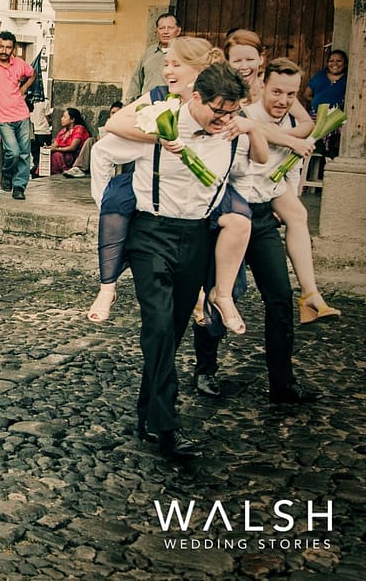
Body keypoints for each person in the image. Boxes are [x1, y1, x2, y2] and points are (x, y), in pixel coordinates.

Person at [91, 62, 267, 461]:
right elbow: (104, 145)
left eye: (232, 112)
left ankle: (146, 415)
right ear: (197, 98)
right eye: (218, 111)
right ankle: (168, 428)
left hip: (197, 237)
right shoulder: (157, 124)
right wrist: (105, 203)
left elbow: (247, 170)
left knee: (171, 331)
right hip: (151, 235)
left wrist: (248, 130)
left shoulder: (233, 136)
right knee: (157, 327)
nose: (224, 119)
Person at [87, 37, 246, 324]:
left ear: (200, 71)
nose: (167, 71)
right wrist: (162, 135)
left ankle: (219, 295)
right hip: (159, 190)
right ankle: (107, 287)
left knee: (241, 219)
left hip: (205, 195)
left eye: (175, 64)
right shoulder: (160, 97)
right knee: (114, 207)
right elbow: (113, 126)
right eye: (166, 64)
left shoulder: (224, 101)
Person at [192, 58, 320, 408]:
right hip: (229, 216)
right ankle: (206, 370)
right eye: (276, 91)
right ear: (261, 84)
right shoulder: (236, 114)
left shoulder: (291, 120)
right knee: (218, 292)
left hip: (262, 218)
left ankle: (283, 382)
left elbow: (300, 134)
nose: (282, 99)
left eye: (290, 94)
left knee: (279, 297)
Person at [222, 31, 340, 326]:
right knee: (229, 282)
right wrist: (278, 138)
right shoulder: (227, 92)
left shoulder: (278, 88)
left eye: (250, 58)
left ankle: (310, 292)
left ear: (261, 60)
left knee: (298, 214)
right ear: (226, 61)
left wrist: (274, 136)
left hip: (269, 180)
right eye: (237, 60)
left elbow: (305, 126)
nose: (244, 65)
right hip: (237, 187)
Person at [0, 31, 35, 199]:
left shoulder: (19, 64)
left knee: (25, 152)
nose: (3, 51)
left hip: (22, 114)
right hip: (1, 117)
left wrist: (23, 89)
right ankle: (7, 174)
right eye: (1, 46)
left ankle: (19, 187)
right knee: (13, 151)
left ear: (13, 49)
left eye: (8, 47)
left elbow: (32, 74)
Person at [124, 12, 181, 103]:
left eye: (170, 28)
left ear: (178, 31)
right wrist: (129, 104)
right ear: (156, 31)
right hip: (146, 105)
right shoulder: (149, 52)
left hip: (171, 106)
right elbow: (136, 80)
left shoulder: (184, 53)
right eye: (161, 28)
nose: (165, 32)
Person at [303, 49, 347, 159]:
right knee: (314, 138)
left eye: (339, 61)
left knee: (334, 141)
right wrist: (316, 103)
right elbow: (307, 94)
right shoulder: (320, 76)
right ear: (327, 63)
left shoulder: (347, 78)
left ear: (345, 63)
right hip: (316, 114)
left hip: (336, 116)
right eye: (331, 61)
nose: (335, 64)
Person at [63, 101, 122, 178]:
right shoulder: (107, 125)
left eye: (117, 113)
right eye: (112, 113)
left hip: (117, 148)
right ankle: (79, 168)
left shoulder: (125, 124)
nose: (114, 115)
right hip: (104, 146)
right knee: (90, 141)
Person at [48, 108, 91, 175]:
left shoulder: (79, 129)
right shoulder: (63, 131)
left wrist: (57, 149)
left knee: (57, 155)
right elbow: (55, 144)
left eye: (64, 117)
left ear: (72, 119)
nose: (61, 119)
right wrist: (48, 148)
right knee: (48, 155)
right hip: (62, 153)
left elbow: (73, 147)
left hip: (73, 155)